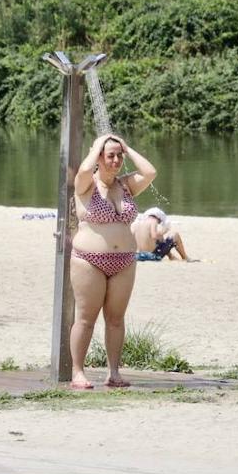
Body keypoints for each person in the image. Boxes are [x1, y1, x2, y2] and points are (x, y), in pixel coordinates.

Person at [69, 134, 157, 390]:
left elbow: (150, 172)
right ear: (98, 157)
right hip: (89, 260)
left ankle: (114, 372)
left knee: (116, 319)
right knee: (85, 318)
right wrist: (98, 146)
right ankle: (77, 372)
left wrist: (127, 148)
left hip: (124, 261)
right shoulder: (85, 183)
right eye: (111, 155)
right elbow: (85, 168)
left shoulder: (126, 185)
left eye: (119, 156)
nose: (117, 160)